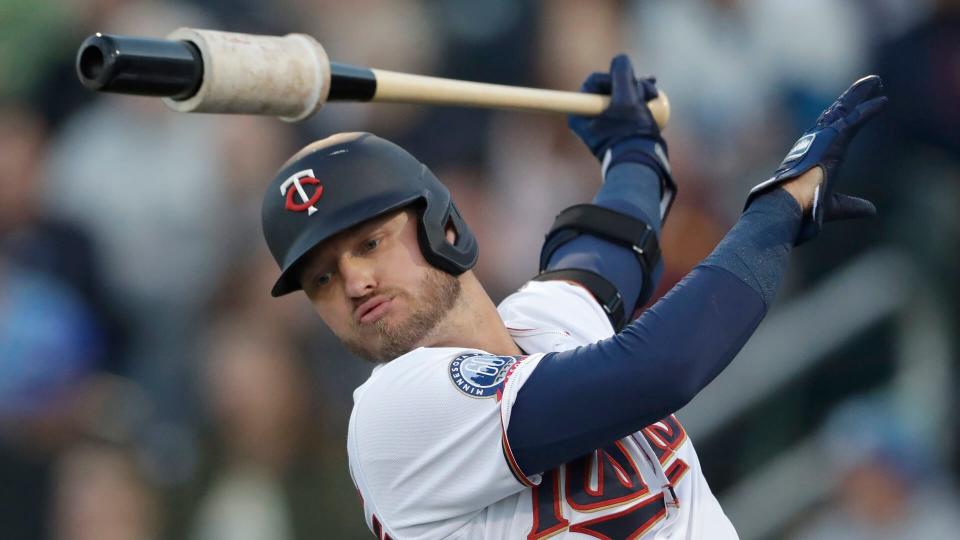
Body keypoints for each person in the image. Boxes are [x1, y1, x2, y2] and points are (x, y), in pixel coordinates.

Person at [259, 55, 886, 539]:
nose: (353, 282)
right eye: (321, 279)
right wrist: (780, 207)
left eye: (369, 244)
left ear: (443, 228)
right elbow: (657, 368)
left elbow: (611, 245)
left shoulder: (539, 326)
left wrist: (633, 147)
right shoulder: (391, 416)